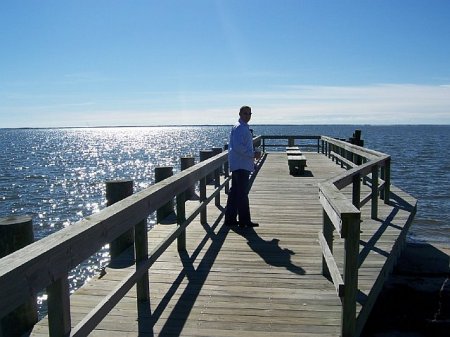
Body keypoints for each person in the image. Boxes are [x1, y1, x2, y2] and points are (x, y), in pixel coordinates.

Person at [224, 106, 261, 228]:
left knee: (235, 192)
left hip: (239, 164)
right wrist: (253, 154)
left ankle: (230, 219)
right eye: (245, 113)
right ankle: (244, 220)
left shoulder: (241, 126)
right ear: (240, 113)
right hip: (241, 165)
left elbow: (240, 146)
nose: (248, 115)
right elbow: (239, 147)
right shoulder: (240, 128)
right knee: (242, 194)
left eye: (249, 113)